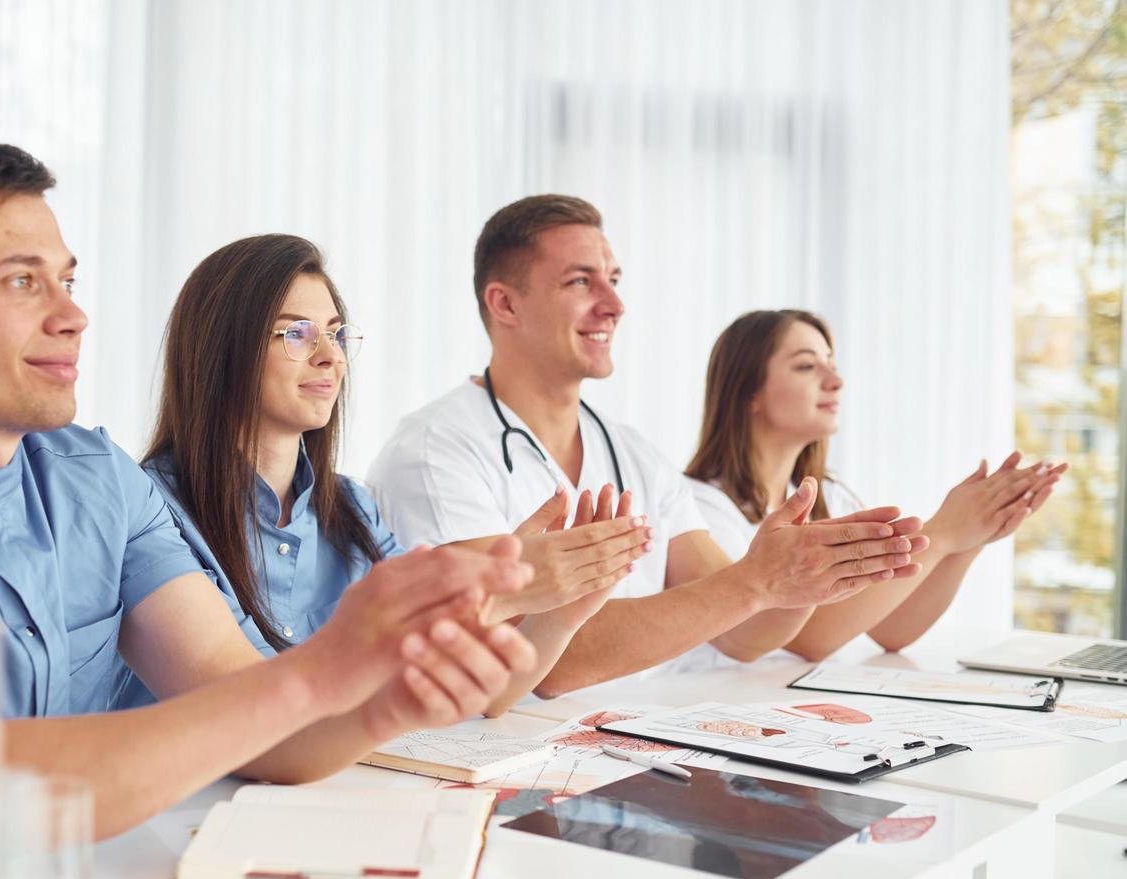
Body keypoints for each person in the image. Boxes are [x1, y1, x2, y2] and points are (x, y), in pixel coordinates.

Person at [0, 139, 539, 839]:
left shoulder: (96, 479)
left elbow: (249, 716)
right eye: (22, 281)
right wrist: (316, 675)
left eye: (69, 279)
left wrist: (390, 696)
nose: (72, 314)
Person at [367, 194, 926, 695]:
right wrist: (755, 581)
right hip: (502, 762)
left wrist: (799, 577)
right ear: (505, 305)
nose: (614, 304)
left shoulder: (632, 452)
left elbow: (743, 635)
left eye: (614, 278)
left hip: (640, 743)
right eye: (581, 281)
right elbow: (531, 661)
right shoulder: (435, 453)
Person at [111, 233, 650, 733]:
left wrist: (562, 611)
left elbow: (485, 694)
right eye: (296, 333)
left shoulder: (353, 508)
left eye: (336, 334)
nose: (330, 356)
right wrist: (496, 589)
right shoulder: (152, 510)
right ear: (220, 350)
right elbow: (259, 708)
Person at [684, 309, 1065, 656]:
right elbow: (809, 639)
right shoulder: (699, 507)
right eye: (806, 367)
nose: (835, 381)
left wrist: (972, 536)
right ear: (749, 392)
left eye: (831, 365)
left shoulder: (830, 497)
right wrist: (945, 531)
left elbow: (890, 628)